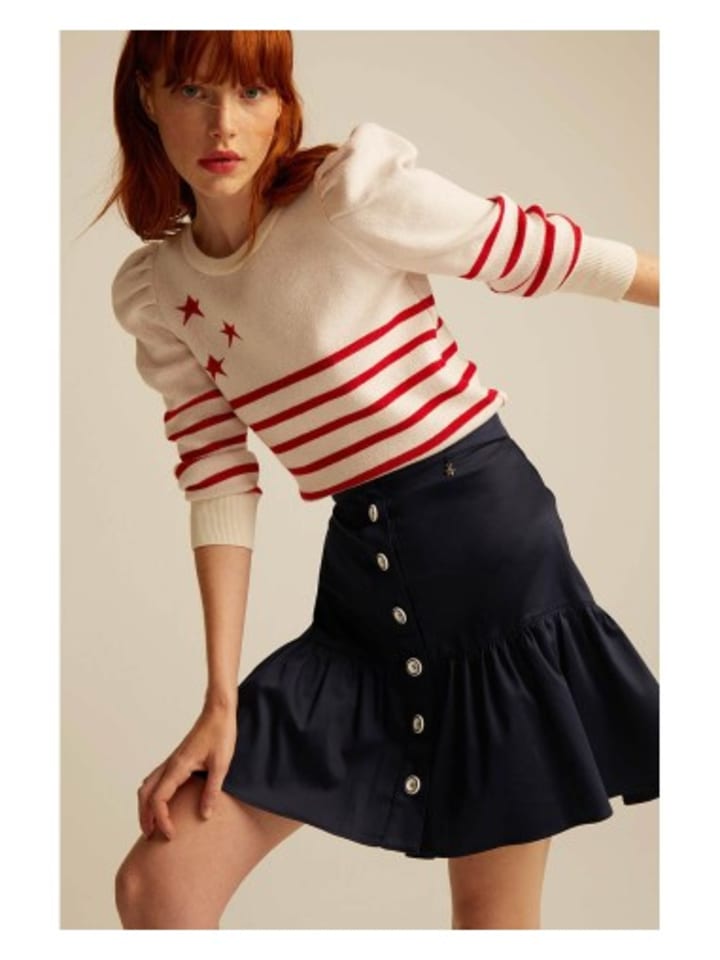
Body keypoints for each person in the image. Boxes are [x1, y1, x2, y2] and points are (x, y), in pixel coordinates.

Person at [99, 30, 659, 930]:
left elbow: (530, 249)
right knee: (157, 886)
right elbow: (217, 475)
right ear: (146, 99)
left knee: (492, 921)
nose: (224, 124)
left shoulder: (348, 198)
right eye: (194, 91)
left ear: (283, 105)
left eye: (251, 92)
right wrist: (219, 696)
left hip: (492, 565)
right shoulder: (159, 292)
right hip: (364, 579)